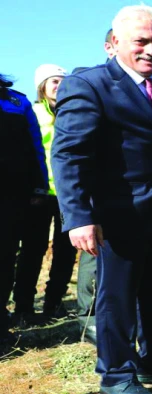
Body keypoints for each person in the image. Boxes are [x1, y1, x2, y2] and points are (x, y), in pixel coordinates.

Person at [51, 5, 152, 394]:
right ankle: (116, 373)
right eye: (142, 41)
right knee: (117, 299)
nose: (151, 49)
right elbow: (69, 156)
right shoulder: (89, 85)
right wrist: (79, 216)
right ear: (116, 41)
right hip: (118, 217)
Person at [75, 28, 118, 345]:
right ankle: (89, 320)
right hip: (97, 194)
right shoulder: (87, 82)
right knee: (93, 260)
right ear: (110, 45)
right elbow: (73, 150)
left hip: (133, 199)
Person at [26, 64, 78, 318]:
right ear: (42, 86)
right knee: (33, 249)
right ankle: (24, 307)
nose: (58, 85)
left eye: (62, 80)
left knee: (66, 251)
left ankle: (54, 303)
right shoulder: (33, 112)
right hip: (39, 194)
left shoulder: (76, 112)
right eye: (53, 81)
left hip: (69, 195)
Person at [0, 73, 49, 343]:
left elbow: (35, 148)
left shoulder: (17, 103)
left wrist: (39, 185)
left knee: (6, 258)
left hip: (13, 195)